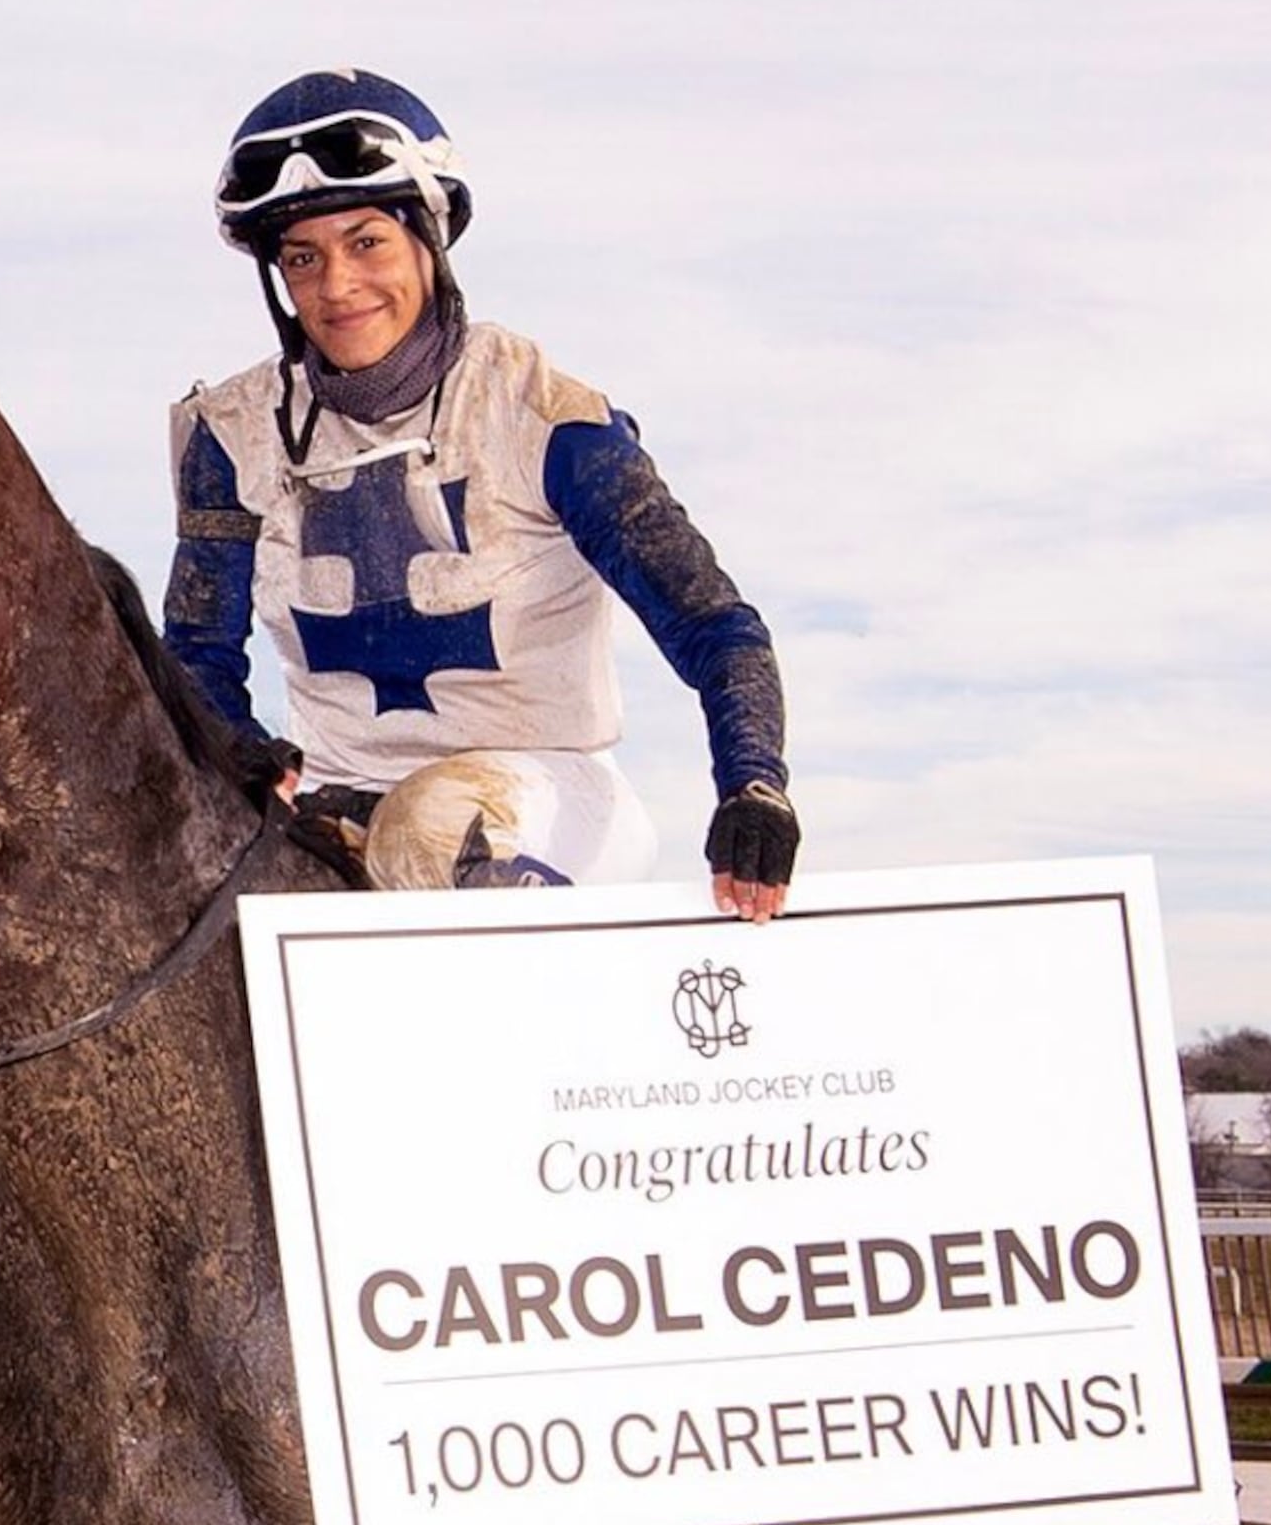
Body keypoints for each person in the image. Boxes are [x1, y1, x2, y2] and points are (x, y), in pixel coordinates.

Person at [162, 66, 799, 920]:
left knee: (430, 831)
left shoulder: (547, 418)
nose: (336, 287)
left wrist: (754, 783)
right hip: (339, 802)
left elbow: (716, 626)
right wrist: (236, 750)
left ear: (429, 240)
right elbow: (198, 655)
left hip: (548, 798)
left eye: (367, 243)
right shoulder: (230, 434)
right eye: (302, 258)